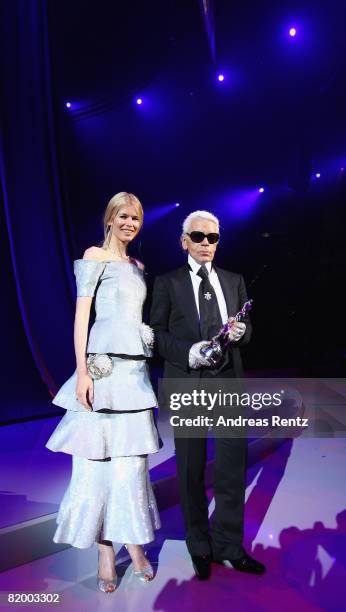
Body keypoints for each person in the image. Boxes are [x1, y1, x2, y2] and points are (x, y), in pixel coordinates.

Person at [46, 192, 161, 593]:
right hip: (102, 370)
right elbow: (82, 317)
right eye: (124, 216)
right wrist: (82, 372)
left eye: (137, 218)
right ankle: (105, 553)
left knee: (131, 468)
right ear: (110, 218)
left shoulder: (138, 265)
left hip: (134, 375)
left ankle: (135, 544)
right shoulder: (94, 256)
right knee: (96, 464)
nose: (131, 223)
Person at [150, 210, 265, 580]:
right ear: (184, 241)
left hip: (228, 382)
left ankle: (229, 546)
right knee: (190, 469)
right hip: (189, 385)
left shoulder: (234, 280)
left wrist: (241, 332)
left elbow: (248, 332)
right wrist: (189, 352)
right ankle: (199, 544)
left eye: (212, 238)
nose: (205, 244)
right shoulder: (167, 282)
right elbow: (155, 334)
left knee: (232, 468)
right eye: (198, 237)